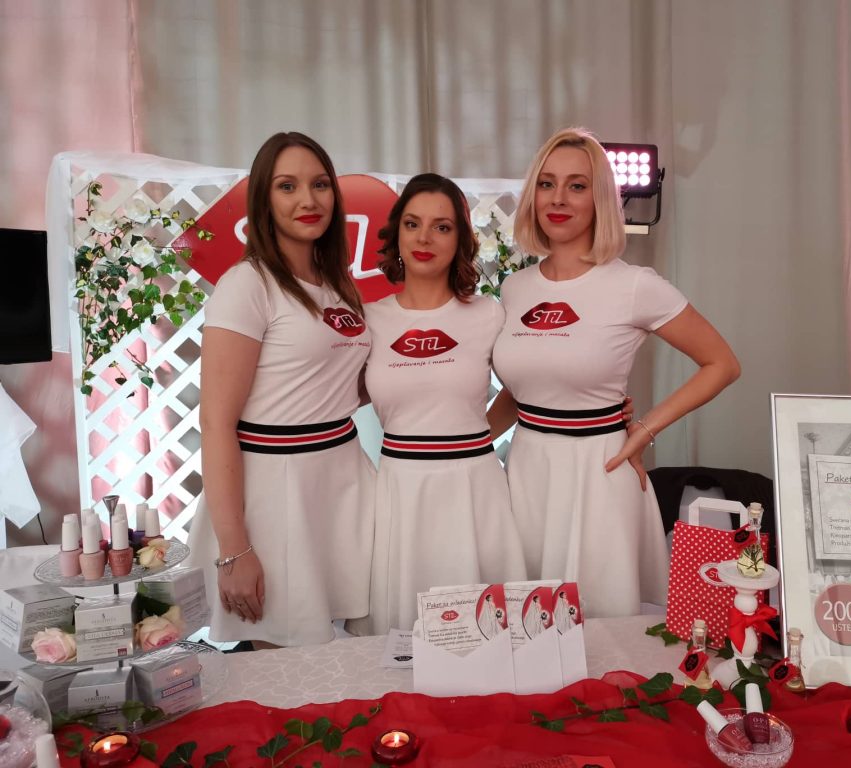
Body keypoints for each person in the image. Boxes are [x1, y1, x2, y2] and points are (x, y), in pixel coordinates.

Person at [490, 127, 741, 618]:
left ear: (601, 198)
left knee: (602, 631)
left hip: (599, 474)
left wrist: (644, 429)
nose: (558, 199)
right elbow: (520, 394)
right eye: (547, 184)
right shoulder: (516, 288)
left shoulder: (635, 286)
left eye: (577, 186)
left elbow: (722, 364)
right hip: (527, 471)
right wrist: (464, 451)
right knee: (527, 626)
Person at [186, 132, 375, 646]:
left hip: (342, 480)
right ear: (263, 200)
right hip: (274, 493)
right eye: (287, 186)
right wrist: (234, 549)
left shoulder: (339, 285)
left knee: (344, 655)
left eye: (319, 185)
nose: (307, 200)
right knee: (281, 663)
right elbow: (216, 422)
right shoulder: (247, 285)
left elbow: (339, 385)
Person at [361, 173, 527, 633]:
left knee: (488, 636)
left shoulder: (488, 313)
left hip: (474, 492)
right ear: (396, 233)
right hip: (401, 491)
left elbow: (524, 389)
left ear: (461, 240)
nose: (424, 238)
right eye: (412, 224)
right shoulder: (370, 320)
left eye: (442, 227)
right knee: (402, 643)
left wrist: (470, 440)